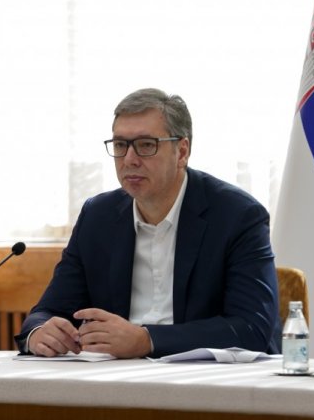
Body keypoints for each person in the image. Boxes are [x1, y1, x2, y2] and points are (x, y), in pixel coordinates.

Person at [15, 88, 280, 359]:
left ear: (182, 152)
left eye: (145, 145)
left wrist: (147, 340)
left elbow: (252, 328)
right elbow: (48, 311)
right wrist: (39, 333)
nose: (129, 159)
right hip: (115, 373)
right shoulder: (97, 217)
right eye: (120, 145)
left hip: (206, 376)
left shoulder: (237, 216)